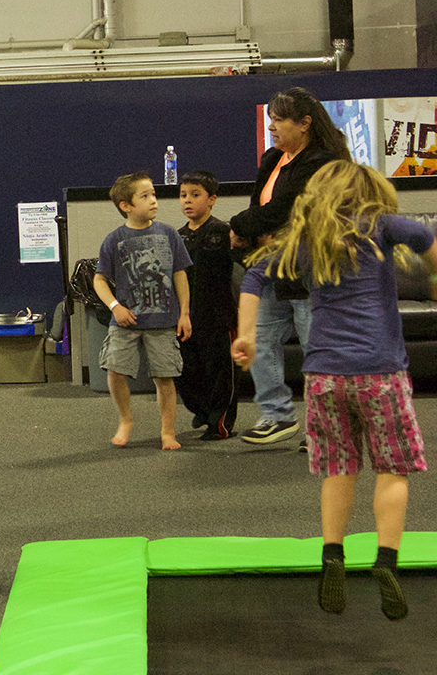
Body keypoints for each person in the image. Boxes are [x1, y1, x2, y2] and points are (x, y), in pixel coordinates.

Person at [232, 161, 436, 621]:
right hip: (380, 372)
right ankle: (385, 560)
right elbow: (425, 240)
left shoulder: (306, 240)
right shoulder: (380, 226)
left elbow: (253, 275)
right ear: (368, 191)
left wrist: (245, 334)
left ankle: (332, 554)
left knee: (338, 468)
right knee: (393, 468)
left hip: (324, 376)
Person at [229, 87, 353, 445]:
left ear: (304, 124)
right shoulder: (272, 159)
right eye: (270, 120)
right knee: (262, 340)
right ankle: (278, 416)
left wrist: (239, 224)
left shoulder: (322, 162)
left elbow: (284, 209)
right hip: (272, 267)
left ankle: (325, 425)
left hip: (311, 270)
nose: (272, 127)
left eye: (279, 120)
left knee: (318, 349)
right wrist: (250, 234)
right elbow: (261, 204)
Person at [92, 171, 192, 450]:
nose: (153, 201)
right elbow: (99, 279)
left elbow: (180, 275)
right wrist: (115, 306)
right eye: (145, 196)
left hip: (163, 321)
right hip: (125, 322)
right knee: (114, 369)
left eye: (154, 194)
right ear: (126, 205)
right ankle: (126, 419)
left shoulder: (169, 234)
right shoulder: (114, 240)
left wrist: (184, 313)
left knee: (165, 377)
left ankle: (167, 432)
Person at [177, 171, 238, 440]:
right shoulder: (176, 237)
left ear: (212, 200)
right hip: (186, 317)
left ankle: (220, 423)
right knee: (186, 371)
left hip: (217, 315)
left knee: (219, 373)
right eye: (183, 195)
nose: (187, 201)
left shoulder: (222, 232)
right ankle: (200, 408)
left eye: (195, 195)